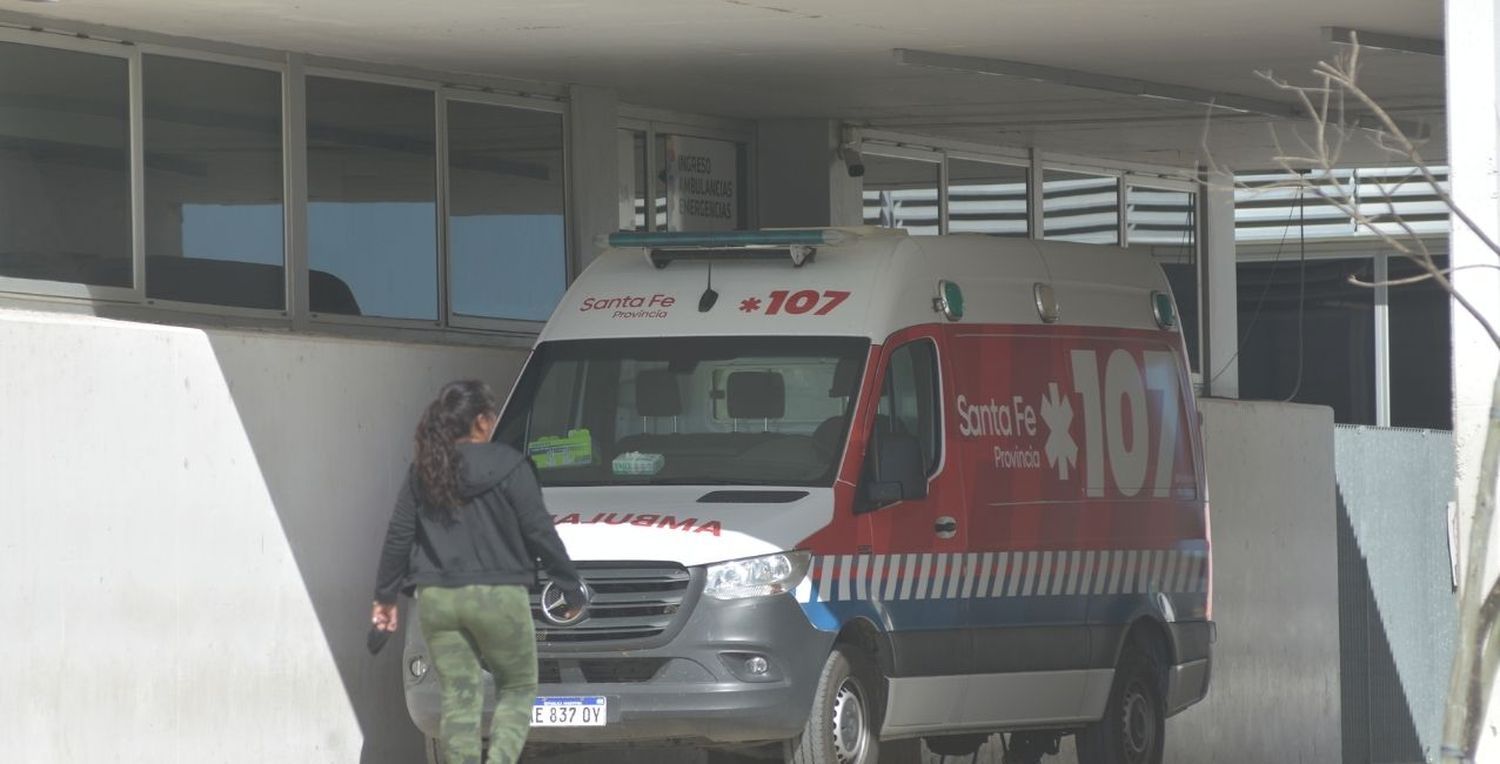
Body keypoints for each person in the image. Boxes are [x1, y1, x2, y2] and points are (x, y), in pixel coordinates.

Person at [372, 379, 587, 764]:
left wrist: (385, 598)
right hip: (499, 596)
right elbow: (539, 531)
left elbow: (399, 535)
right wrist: (569, 586)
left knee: (459, 695)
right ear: (483, 422)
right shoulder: (510, 465)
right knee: (518, 685)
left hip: (438, 598)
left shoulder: (424, 470)